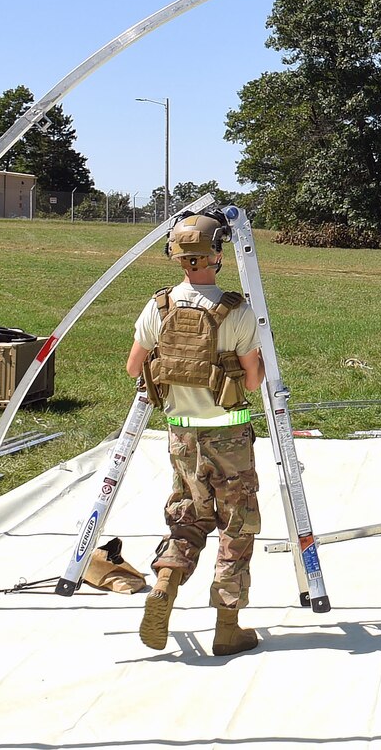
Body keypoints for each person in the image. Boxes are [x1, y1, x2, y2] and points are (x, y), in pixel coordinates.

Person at [125, 212, 265, 655]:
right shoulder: (236, 311)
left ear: (177, 257)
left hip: (180, 436)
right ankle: (228, 626)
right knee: (236, 525)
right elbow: (253, 381)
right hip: (228, 436)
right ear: (217, 256)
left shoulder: (160, 306)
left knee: (188, 516)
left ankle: (166, 580)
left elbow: (134, 367)